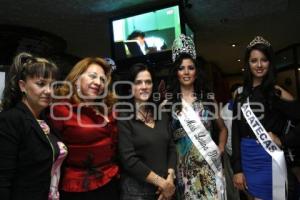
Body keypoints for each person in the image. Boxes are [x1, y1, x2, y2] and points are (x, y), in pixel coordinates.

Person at [231, 36, 300, 200]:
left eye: (264, 60)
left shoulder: (276, 92)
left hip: (270, 159)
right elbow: (235, 133)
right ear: (248, 63)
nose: (259, 65)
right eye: (254, 60)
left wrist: (283, 140)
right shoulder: (239, 95)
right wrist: (237, 169)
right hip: (248, 160)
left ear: (270, 63)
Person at [49, 57, 119, 200]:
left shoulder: (110, 109)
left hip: (111, 180)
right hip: (79, 188)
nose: (98, 82)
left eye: (102, 79)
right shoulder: (60, 110)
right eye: (92, 76)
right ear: (77, 78)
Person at [0, 52, 67, 200]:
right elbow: (3, 178)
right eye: (41, 84)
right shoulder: (10, 119)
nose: (49, 91)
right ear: (22, 86)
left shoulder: (46, 119)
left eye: (52, 85)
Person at [168, 34, 227, 200]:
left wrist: (221, 148)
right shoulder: (168, 104)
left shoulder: (208, 99)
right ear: (176, 72)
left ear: (196, 71)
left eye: (190, 67)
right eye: (181, 68)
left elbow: (223, 129)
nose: (186, 72)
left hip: (209, 168)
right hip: (183, 173)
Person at [118, 63, 177, 200]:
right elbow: (128, 160)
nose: (144, 86)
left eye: (148, 82)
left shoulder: (161, 114)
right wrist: (162, 183)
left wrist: (170, 177)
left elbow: (171, 148)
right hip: (136, 193)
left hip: (164, 191)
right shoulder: (123, 116)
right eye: (138, 82)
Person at [221, 83, 242, 200]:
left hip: (244, 151)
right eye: (237, 94)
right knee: (236, 183)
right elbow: (227, 135)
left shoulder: (246, 107)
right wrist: (233, 153)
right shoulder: (225, 111)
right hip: (232, 153)